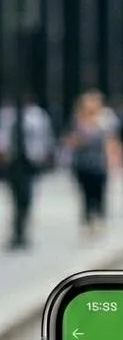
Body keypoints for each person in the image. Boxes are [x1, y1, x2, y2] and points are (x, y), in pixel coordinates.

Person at [0, 95, 54, 248]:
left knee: (26, 197)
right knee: (14, 197)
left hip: (30, 161)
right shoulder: (6, 115)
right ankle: (17, 232)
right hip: (11, 162)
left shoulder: (37, 116)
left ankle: (23, 230)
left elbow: (45, 136)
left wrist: (46, 155)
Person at [65, 89, 120, 238]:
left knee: (99, 193)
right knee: (85, 194)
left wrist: (114, 161)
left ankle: (98, 220)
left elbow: (111, 141)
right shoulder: (78, 119)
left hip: (99, 163)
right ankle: (87, 221)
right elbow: (70, 141)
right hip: (82, 164)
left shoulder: (105, 119)